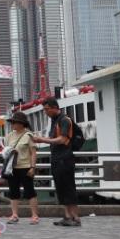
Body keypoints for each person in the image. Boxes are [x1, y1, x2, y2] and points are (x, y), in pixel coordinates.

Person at [31, 97, 80, 226]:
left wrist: (42, 140)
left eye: (46, 109)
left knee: (69, 187)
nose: (45, 112)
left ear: (54, 107)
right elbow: (55, 139)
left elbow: (62, 140)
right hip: (57, 158)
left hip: (65, 158)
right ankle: (67, 216)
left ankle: (75, 217)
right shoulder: (54, 120)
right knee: (61, 187)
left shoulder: (64, 120)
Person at [3, 111, 39, 225]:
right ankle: (14, 215)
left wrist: (33, 167)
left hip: (25, 167)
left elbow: (33, 152)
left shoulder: (29, 135)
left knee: (30, 192)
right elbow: (6, 150)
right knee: (13, 192)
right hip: (12, 167)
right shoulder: (9, 136)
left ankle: (34, 215)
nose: (12, 124)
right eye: (12, 122)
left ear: (21, 124)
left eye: (14, 122)